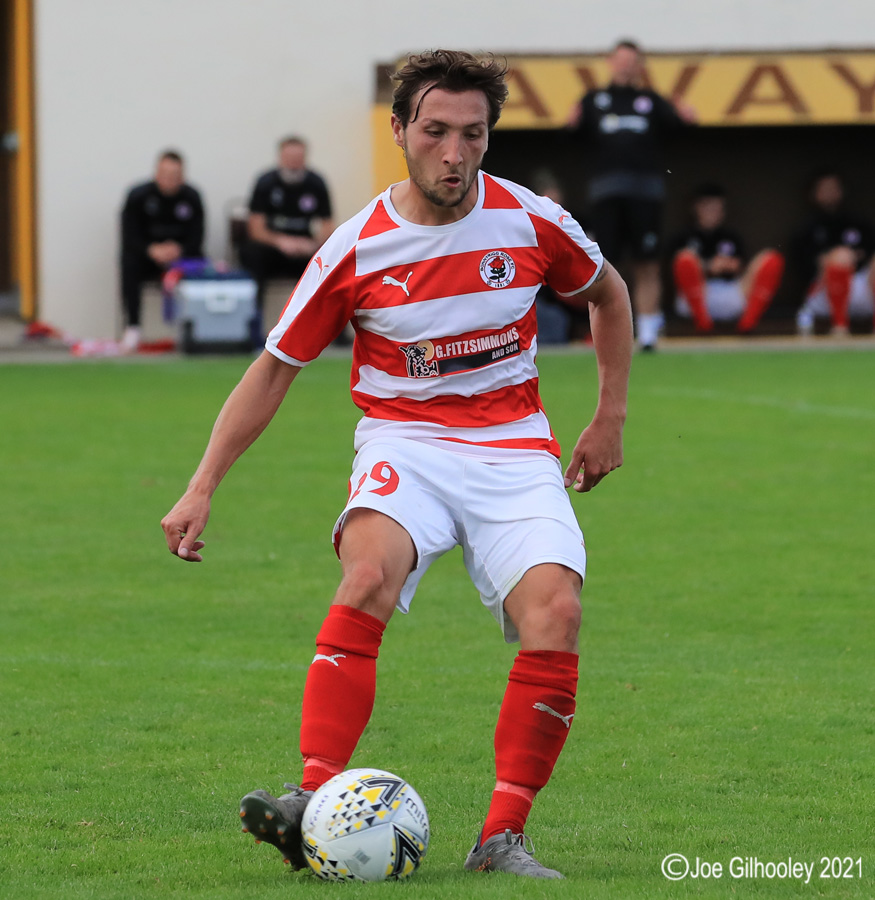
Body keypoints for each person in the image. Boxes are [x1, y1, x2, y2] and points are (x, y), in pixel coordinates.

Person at [161, 49, 633, 880]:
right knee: (367, 574)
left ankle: (501, 839)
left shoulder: (529, 222)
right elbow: (273, 368)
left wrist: (608, 416)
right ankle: (309, 799)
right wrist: (202, 485)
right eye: (436, 132)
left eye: (473, 135)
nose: (454, 153)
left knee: (555, 612)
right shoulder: (357, 248)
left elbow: (608, 293)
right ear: (400, 132)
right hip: (403, 446)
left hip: (514, 447)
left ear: (489, 137)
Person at [568, 39, 696, 351]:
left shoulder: (651, 100)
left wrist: (685, 115)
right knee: (604, 264)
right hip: (606, 193)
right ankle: (603, 331)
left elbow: (681, 127)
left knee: (647, 262)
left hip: (646, 193)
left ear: (639, 66)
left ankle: (649, 333)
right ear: (611, 62)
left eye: (632, 60)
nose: (626, 65)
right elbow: (570, 135)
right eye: (621, 59)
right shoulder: (593, 100)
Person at [669, 183, 784, 334]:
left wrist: (729, 265)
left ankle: (747, 326)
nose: (712, 212)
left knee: (771, 258)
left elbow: (743, 266)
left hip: (729, 292)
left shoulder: (732, 236)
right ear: (695, 207)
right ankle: (703, 326)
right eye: (707, 207)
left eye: (717, 208)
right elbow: (676, 269)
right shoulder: (683, 237)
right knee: (685, 258)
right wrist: (707, 266)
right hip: (697, 297)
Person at [119, 150, 204, 351]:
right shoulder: (138, 196)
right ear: (156, 173)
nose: (170, 180)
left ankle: (194, 331)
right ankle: (132, 327)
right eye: (165, 174)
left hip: (180, 260)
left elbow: (197, 237)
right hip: (147, 258)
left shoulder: (192, 197)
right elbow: (129, 236)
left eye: (175, 175)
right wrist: (151, 250)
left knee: (202, 265)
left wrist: (179, 250)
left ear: (182, 176)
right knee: (129, 263)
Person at [241, 136, 334, 310]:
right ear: (280, 157)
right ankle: (252, 324)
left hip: (304, 247)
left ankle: (334, 329)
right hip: (272, 248)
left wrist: (312, 244)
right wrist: (281, 241)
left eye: (298, 158)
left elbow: (327, 225)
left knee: (331, 261)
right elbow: (255, 229)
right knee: (252, 254)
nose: (293, 162)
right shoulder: (265, 182)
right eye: (289, 157)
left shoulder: (316, 183)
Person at [792, 170, 875, 335]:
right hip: (824, 293)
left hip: (861, 289)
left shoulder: (859, 222)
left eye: (834, 188)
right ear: (813, 194)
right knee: (841, 256)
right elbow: (805, 268)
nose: (830, 193)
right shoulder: (806, 229)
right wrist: (832, 258)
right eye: (824, 189)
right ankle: (839, 326)